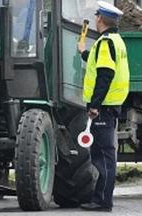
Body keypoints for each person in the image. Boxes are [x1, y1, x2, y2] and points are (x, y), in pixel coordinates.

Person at [77, 1, 130, 212]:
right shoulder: (115, 41)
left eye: (96, 15)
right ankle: (100, 199)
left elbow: (104, 75)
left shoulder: (105, 42)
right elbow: (99, 64)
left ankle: (102, 201)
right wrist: (83, 53)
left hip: (104, 107)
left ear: (99, 18)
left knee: (103, 156)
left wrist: (94, 106)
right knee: (104, 155)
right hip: (111, 105)